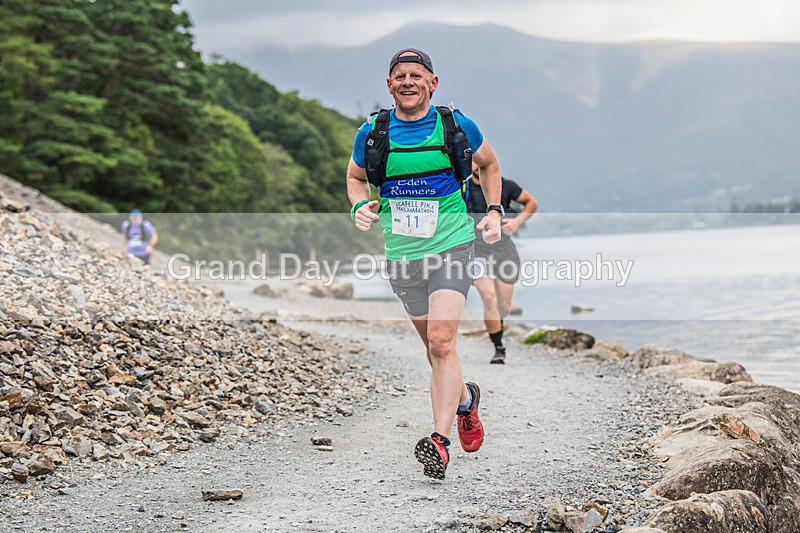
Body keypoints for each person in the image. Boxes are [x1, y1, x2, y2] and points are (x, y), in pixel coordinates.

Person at [347, 48, 504, 480]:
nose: (408, 81)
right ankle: (465, 403)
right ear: (389, 84)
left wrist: (493, 211)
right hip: (402, 254)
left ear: (433, 83)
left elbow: (489, 165)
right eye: (400, 75)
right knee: (435, 350)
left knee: (440, 341)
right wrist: (359, 206)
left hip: (452, 245)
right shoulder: (374, 133)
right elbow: (356, 178)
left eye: (417, 75)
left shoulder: (455, 125)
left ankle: (439, 441)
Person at [464, 162, 538, 364]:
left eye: (482, 161)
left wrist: (516, 222)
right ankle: (498, 348)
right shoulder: (464, 188)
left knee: (504, 305)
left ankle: (499, 323)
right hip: (476, 251)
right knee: (488, 298)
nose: (478, 164)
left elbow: (531, 202)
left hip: (503, 250)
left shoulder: (505, 186)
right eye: (474, 161)